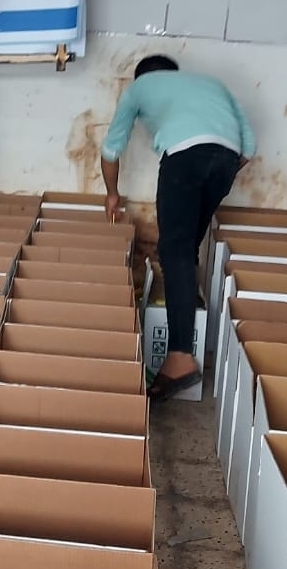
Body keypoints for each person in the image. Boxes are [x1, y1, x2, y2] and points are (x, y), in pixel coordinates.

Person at [100, 54, 256, 399]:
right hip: (227, 159)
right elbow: (249, 147)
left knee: (174, 252)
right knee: (185, 248)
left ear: (142, 77)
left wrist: (112, 194)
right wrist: (218, 169)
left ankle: (180, 356)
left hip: (184, 158)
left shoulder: (140, 87)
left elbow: (111, 150)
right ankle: (185, 313)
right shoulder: (212, 84)